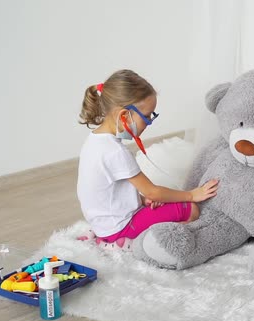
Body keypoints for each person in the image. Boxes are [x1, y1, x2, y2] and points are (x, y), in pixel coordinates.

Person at [76, 69, 218, 251]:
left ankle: (127, 237)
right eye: (148, 115)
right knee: (191, 210)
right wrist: (192, 194)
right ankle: (138, 243)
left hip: (103, 226)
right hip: (121, 228)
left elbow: (108, 191)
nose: (150, 121)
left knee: (166, 203)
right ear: (125, 116)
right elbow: (153, 192)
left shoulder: (94, 140)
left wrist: (141, 201)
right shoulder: (115, 151)